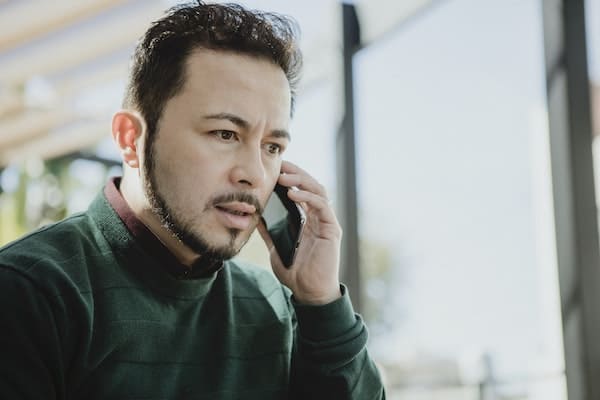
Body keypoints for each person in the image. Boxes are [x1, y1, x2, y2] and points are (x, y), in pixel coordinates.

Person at [0, 1, 385, 399]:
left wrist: (322, 305)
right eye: (225, 134)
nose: (253, 173)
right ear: (131, 139)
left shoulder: (276, 308)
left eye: (272, 147)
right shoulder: (30, 293)